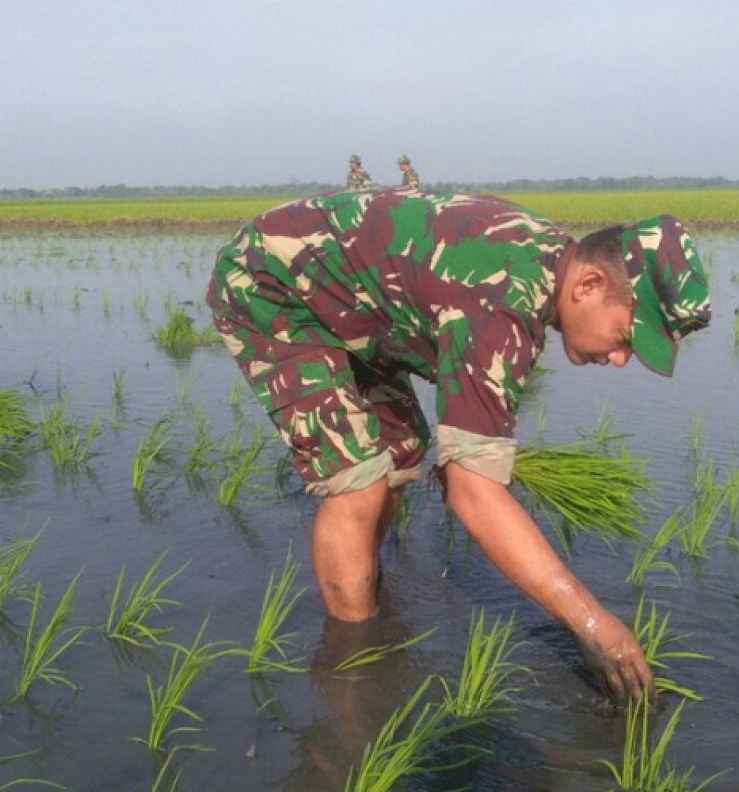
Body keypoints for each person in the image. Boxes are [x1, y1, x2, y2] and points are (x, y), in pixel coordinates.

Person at [206, 188, 712, 703]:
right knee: (355, 481)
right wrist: (593, 624)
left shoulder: (545, 267)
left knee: (401, 448)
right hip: (274, 286)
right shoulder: (504, 301)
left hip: (352, 304)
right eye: (626, 337)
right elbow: (474, 495)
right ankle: (351, 661)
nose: (622, 359)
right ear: (589, 283)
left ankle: (365, 593)